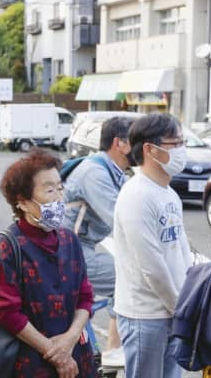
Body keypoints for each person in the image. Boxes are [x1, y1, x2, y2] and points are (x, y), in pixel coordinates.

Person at [0, 149, 95, 378]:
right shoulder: (7, 245)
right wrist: (55, 352)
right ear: (23, 202)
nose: (58, 197)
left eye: (60, 188)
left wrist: (70, 339)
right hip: (31, 361)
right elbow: (7, 311)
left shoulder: (69, 239)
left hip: (76, 353)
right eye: (49, 189)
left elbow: (85, 297)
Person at [112, 113, 193, 378]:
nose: (182, 150)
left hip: (172, 309)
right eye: (175, 143)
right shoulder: (136, 195)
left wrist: (188, 300)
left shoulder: (169, 193)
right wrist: (180, 309)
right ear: (149, 149)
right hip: (144, 316)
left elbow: (181, 251)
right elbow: (152, 265)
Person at [62, 116, 132, 366]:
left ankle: (110, 349)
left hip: (82, 247)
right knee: (127, 277)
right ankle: (114, 352)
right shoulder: (95, 173)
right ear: (120, 143)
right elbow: (121, 219)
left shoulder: (115, 172)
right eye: (137, 141)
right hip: (69, 251)